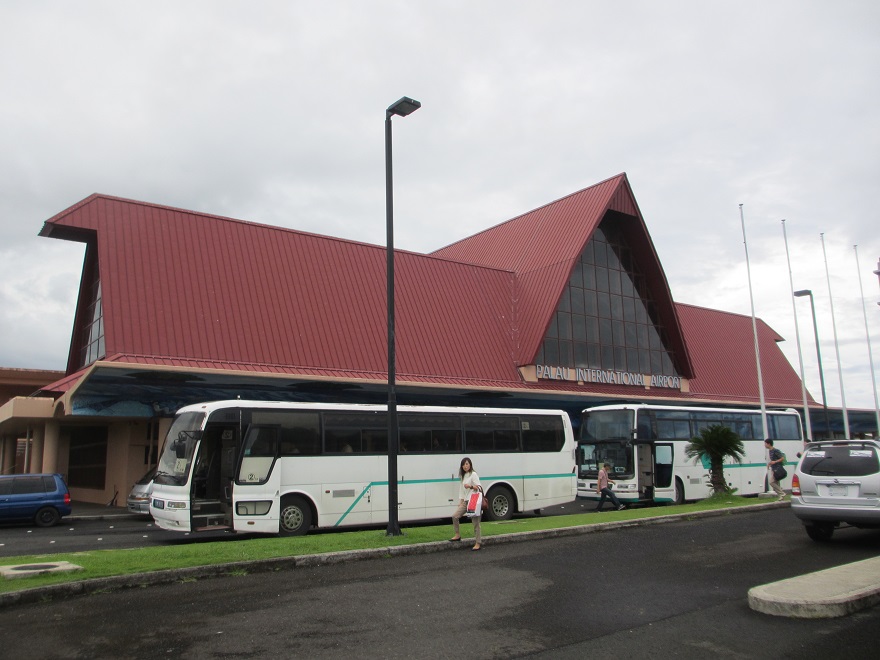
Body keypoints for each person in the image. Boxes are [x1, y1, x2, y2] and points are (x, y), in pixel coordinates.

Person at [450, 457, 482, 550]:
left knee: (475, 522)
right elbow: (461, 491)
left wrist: (471, 486)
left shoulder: (473, 474)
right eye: (463, 464)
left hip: (473, 500)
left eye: (467, 464)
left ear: (470, 464)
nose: (465, 466)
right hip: (466, 501)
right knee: (455, 516)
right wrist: (460, 502)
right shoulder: (463, 476)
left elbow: (479, 487)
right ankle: (457, 535)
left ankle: (478, 543)